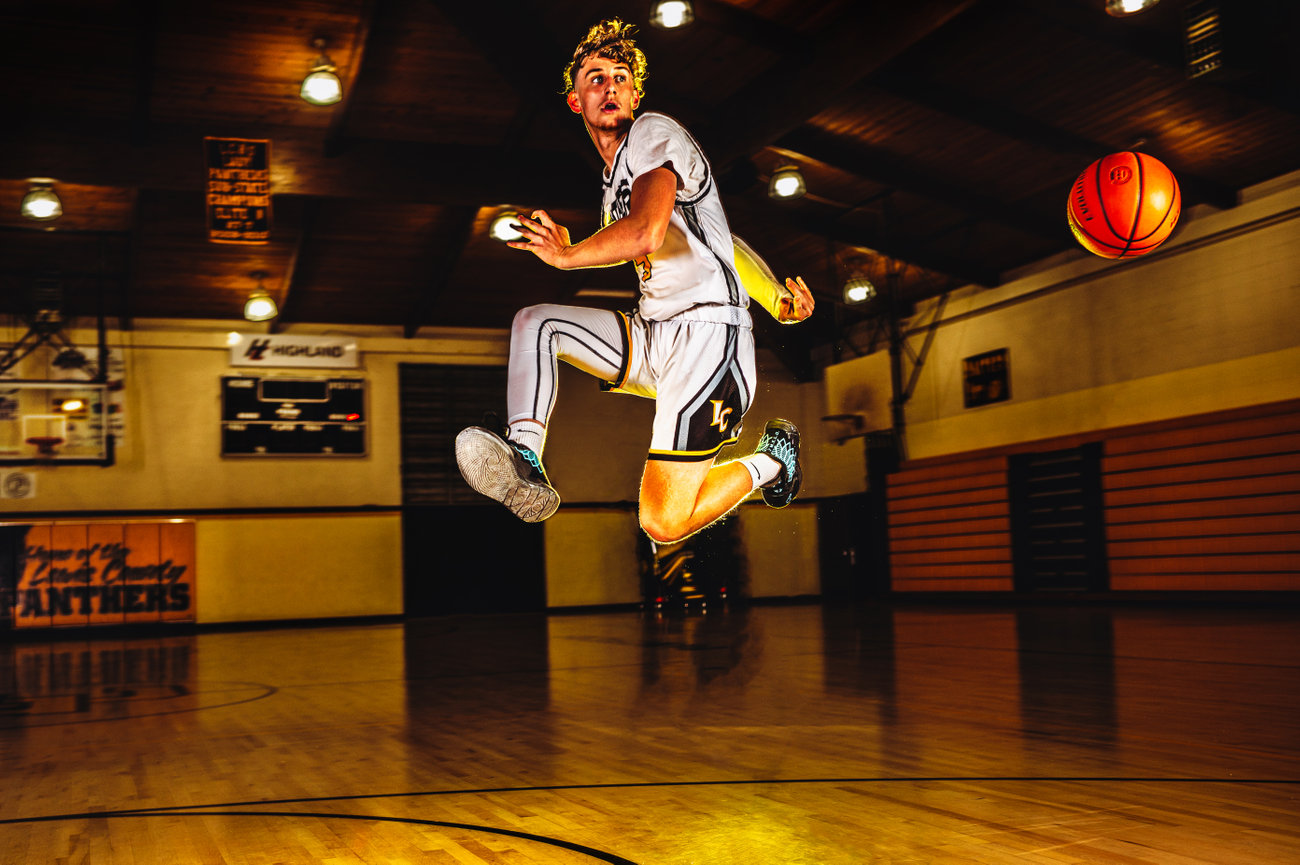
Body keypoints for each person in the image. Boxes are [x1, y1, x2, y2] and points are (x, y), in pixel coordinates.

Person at [455, 18, 814, 544]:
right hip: (656, 331)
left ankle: (770, 461)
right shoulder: (611, 184)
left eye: (621, 77)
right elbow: (723, 243)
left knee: (662, 522)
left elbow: (645, 233)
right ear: (576, 100)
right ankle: (525, 454)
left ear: (636, 93)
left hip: (711, 338)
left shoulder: (653, 132)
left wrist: (568, 254)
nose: (610, 87)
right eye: (596, 78)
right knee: (536, 322)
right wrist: (776, 295)